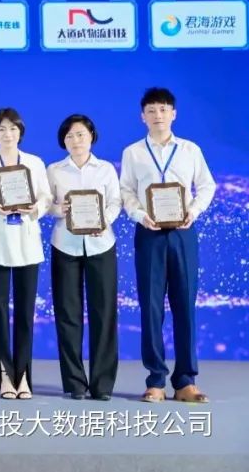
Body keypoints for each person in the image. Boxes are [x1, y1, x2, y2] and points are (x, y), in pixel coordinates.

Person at [120, 87, 215, 404]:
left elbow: (207, 185)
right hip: (148, 232)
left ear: (173, 113)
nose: (157, 115)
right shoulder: (133, 152)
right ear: (142, 116)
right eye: (151, 110)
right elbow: (126, 190)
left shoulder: (189, 150)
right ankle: (156, 380)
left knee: (185, 304)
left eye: (163, 109)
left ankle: (186, 380)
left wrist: (194, 211)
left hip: (182, 232)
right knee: (150, 307)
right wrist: (140, 215)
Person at [0, 108, 52, 400]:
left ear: (21, 132)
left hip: (27, 241)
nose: (7, 134)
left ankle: (23, 375)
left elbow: (46, 196)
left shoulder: (35, 163)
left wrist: (36, 209)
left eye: (13, 129)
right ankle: (5, 374)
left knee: (26, 313)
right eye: (2, 129)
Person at [47, 114, 122, 401]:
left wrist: (104, 220)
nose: (75, 141)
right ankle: (75, 383)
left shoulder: (105, 169)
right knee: (68, 314)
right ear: (63, 142)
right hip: (65, 246)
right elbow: (46, 205)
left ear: (91, 136)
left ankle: (102, 385)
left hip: (101, 245)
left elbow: (115, 202)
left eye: (80, 134)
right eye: (69, 136)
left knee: (104, 314)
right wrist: (60, 209)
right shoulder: (54, 170)